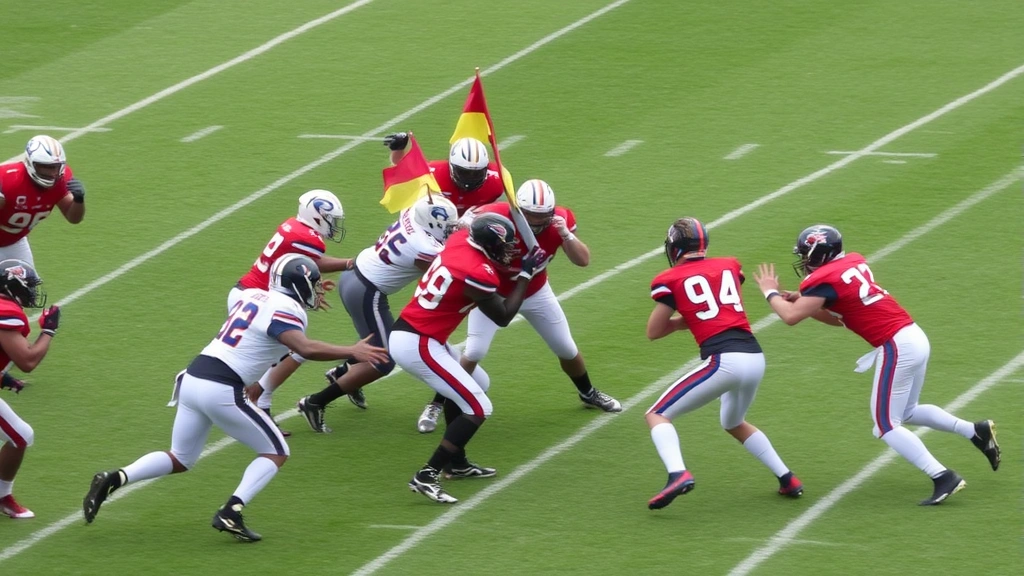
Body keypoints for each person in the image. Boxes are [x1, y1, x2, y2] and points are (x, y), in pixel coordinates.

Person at [81, 255, 388, 540]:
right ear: (300, 285)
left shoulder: (253, 296)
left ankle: (115, 478)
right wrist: (352, 350)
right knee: (276, 451)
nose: (319, 289)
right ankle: (232, 511)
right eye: (314, 283)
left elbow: (267, 343)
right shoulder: (287, 310)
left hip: (192, 378)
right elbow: (304, 348)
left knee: (180, 458)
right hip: (220, 387)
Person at [753, 224, 1000, 505]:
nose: (805, 262)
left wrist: (769, 292)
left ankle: (943, 476)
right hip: (913, 335)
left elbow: (790, 317)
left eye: (807, 256)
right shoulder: (850, 263)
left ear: (820, 254)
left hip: (897, 345)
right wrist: (808, 304)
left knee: (884, 424)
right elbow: (837, 318)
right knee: (906, 411)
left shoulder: (823, 279)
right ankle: (974, 431)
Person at [412, 179, 619, 435]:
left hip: (535, 291)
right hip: (491, 293)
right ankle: (437, 403)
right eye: (530, 214)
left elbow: (583, 260)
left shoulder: (559, 223)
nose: (535, 221)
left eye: (542, 215)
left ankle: (587, 392)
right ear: (518, 209)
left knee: (565, 346)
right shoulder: (496, 214)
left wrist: (566, 235)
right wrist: (466, 222)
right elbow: (468, 222)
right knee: (474, 351)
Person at [644, 218, 801, 510]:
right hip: (755, 357)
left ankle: (677, 473)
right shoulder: (728, 265)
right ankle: (787, 478)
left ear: (675, 247)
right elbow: (717, 306)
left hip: (723, 360)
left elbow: (654, 331)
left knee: (656, 415)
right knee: (733, 422)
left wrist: (682, 323)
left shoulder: (670, 278)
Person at [390, 213, 545, 503]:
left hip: (423, 335)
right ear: (488, 243)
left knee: (478, 382)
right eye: (505, 244)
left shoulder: (462, 240)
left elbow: (464, 227)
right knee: (479, 407)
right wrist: (526, 274)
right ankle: (427, 474)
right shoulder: (477, 272)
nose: (509, 250)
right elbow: (503, 316)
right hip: (418, 341)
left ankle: (456, 463)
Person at [296, 194, 459, 433]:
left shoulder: (411, 213)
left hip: (355, 277)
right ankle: (315, 402)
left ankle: (341, 373)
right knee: (383, 360)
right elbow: (446, 271)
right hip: (367, 291)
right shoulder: (425, 247)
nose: (450, 231)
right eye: (447, 227)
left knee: (376, 345)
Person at [233, 190, 355, 431]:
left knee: (284, 352)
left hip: (252, 294)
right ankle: (255, 399)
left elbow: (299, 268)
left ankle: (257, 401)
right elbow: (313, 264)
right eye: (331, 219)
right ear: (318, 216)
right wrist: (351, 263)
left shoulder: (293, 225)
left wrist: (311, 286)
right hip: (256, 299)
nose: (333, 225)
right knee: (297, 350)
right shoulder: (309, 238)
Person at [0, 135, 84, 392]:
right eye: (45, 166)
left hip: (15, 240)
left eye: (54, 166)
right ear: (30, 163)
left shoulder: (61, 178)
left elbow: (73, 217)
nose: (51, 172)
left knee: (23, 294)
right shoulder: (8, 179)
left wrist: (79, 200)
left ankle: (10, 351)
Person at [0, 260, 60, 519]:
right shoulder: (6, 312)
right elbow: (28, 361)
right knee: (20, 436)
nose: (32, 294)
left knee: (21, 435)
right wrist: (48, 330)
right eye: (28, 287)